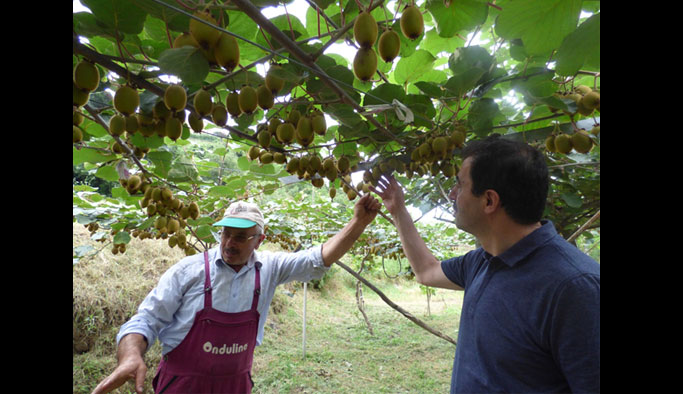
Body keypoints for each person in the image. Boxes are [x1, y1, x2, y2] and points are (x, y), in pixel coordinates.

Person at [372, 135, 600, 393]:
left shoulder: (575, 287)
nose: (452, 193)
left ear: (489, 200)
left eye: (460, 184)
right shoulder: (481, 261)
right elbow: (426, 271)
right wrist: (399, 211)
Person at [92, 194, 381, 394]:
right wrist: (130, 354)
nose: (230, 243)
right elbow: (146, 320)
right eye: (226, 233)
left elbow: (318, 259)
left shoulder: (269, 268)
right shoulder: (188, 271)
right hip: (183, 384)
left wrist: (358, 223)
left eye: (241, 237)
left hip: (235, 385)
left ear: (260, 239)